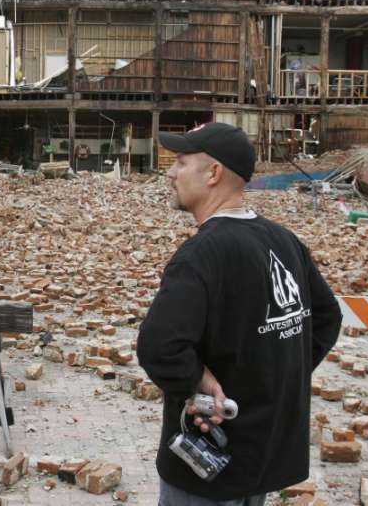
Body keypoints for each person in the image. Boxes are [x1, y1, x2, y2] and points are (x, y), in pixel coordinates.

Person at [136, 123, 342, 506]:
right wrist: (278, 379)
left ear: (213, 174)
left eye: (181, 162)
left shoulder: (201, 255)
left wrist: (196, 379)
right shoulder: (284, 241)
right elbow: (327, 317)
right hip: (263, 459)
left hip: (208, 464)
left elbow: (159, 347)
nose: (170, 173)